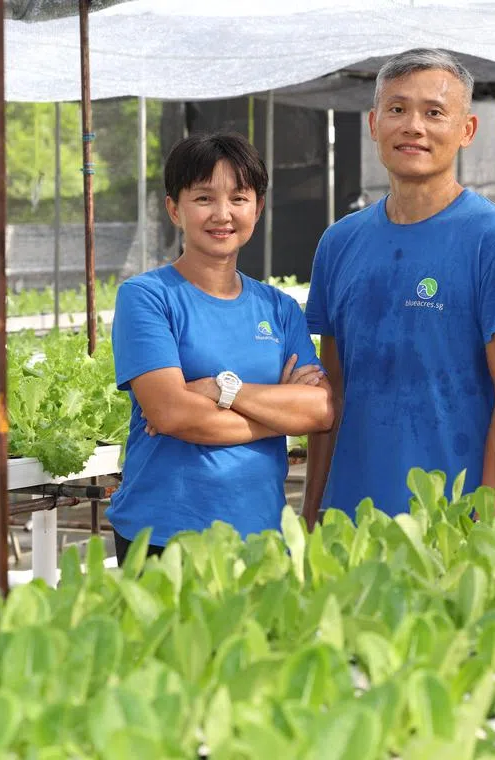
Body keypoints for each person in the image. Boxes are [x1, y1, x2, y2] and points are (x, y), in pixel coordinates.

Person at [303, 49, 495, 527]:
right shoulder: (338, 242)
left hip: (452, 521)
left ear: (467, 130)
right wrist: (311, 512)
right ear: (373, 123)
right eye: (397, 109)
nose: (413, 126)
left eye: (434, 112)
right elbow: (333, 395)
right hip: (352, 519)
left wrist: (488, 525)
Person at [108, 132, 335, 565]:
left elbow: (320, 411)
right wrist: (277, 418)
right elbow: (172, 413)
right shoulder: (147, 297)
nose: (222, 214)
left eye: (238, 197)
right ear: (175, 209)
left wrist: (220, 389)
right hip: (164, 535)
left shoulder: (280, 308)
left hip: (262, 534)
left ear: (258, 207)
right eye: (204, 198)